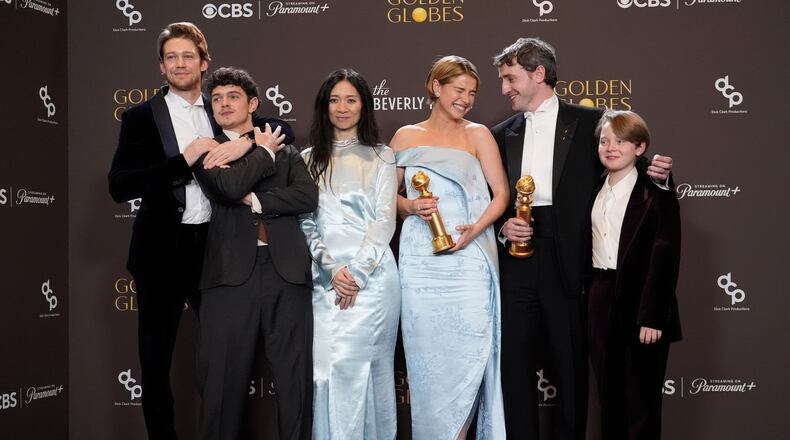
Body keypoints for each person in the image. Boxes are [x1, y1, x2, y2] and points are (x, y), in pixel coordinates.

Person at [490, 37, 673, 440]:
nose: (504, 89)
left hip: (572, 264)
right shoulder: (499, 133)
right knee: (513, 367)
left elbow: (633, 169)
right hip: (515, 263)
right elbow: (487, 197)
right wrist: (503, 225)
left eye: (510, 78)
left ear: (539, 74)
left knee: (570, 367)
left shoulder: (593, 123)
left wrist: (662, 176)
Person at [108, 22, 256, 439]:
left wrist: (244, 143)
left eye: (188, 55)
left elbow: (276, 128)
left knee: (226, 358)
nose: (179, 63)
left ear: (204, 62)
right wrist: (183, 160)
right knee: (155, 364)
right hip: (160, 254)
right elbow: (120, 186)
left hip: (216, 250)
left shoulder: (222, 108)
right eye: (170, 56)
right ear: (161, 66)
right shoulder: (140, 117)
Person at [191, 67, 317, 440]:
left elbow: (307, 197)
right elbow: (228, 188)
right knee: (221, 385)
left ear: (253, 104)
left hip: (287, 273)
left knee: (295, 382)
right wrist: (260, 149)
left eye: (233, 97)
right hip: (229, 277)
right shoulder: (205, 151)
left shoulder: (288, 148)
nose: (224, 104)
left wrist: (259, 199)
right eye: (216, 99)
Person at [391, 55, 509, 440]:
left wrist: (475, 229)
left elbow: (502, 195)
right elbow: (384, 199)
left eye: (472, 93)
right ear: (436, 88)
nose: (466, 100)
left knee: (469, 360)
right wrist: (409, 206)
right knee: (429, 364)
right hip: (420, 263)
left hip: (469, 262)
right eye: (459, 90)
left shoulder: (478, 135)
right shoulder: (405, 137)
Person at [299, 69, 401, 440]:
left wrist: (356, 275)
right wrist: (332, 270)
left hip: (373, 282)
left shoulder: (382, 156)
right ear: (324, 106)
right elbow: (306, 223)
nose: (342, 108)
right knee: (327, 369)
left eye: (351, 100)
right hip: (324, 283)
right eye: (335, 100)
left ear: (364, 106)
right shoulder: (307, 159)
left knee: (365, 369)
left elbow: (384, 221)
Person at [588, 110, 681, 440]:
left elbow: (666, 252)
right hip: (600, 299)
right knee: (609, 398)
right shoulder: (595, 185)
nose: (611, 147)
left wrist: (653, 316)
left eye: (621, 141)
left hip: (641, 303)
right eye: (604, 140)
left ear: (640, 147)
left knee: (641, 403)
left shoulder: (654, 187)